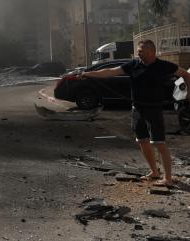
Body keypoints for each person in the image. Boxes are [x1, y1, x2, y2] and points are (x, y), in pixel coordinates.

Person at [78, 39, 190, 186]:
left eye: (141, 51)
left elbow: (186, 74)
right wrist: (89, 74)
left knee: (159, 143)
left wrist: (189, 93)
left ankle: (168, 178)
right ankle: (154, 172)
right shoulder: (133, 65)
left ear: (151, 51)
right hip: (137, 109)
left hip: (154, 109)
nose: (138, 53)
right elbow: (111, 72)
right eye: (138, 51)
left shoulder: (163, 66)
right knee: (142, 141)